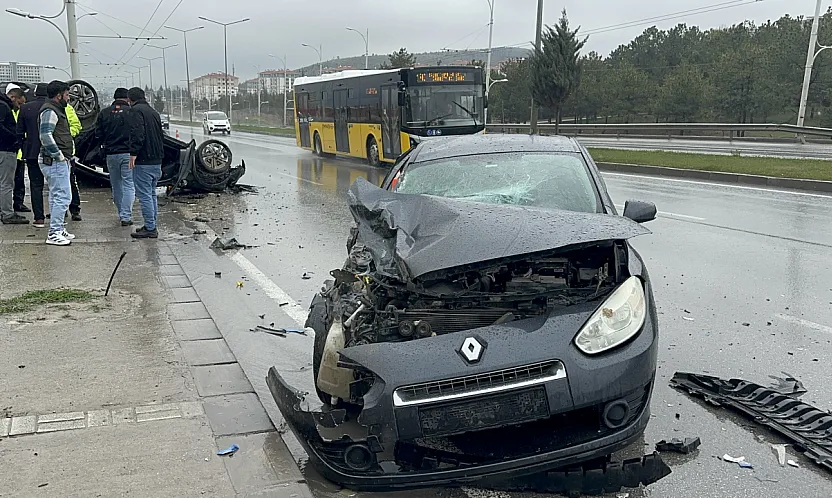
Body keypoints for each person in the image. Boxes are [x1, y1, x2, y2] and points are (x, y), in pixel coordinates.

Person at [38, 80, 75, 245]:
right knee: (63, 196)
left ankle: (58, 228)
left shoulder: (56, 110)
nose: (68, 98)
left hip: (56, 161)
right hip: (54, 161)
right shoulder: (50, 111)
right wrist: (59, 156)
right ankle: (54, 233)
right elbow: (45, 135)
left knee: (56, 196)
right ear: (59, 95)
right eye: (67, 95)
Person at [127, 87, 163, 239]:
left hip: (143, 160)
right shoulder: (153, 112)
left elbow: (138, 133)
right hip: (156, 159)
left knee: (144, 195)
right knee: (151, 193)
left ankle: (150, 227)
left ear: (130, 100)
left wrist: (133, 153)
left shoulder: (136, 111)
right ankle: (151, 223)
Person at [95, 88, 134, 225]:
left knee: (116, 184)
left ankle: (121, 213)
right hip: (128, 154)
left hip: (111, 154)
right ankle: (126, 216)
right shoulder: (132, 112)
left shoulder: (104, 113)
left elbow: (98, 134)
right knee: (128, 184)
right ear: (127, 98)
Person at [16, 83, 48, 227]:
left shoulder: (25, 108)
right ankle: (59, 214)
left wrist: (24, 147)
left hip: (32, 152)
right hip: (51, 151)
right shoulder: (55, 107)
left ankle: (39, 218)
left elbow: (19, 132)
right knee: (56, 185)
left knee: (36, 185)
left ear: (35, 94)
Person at [0, 83, 25, 224]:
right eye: (19, 102)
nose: (19, 106)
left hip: (3, 149)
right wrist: (15, 137)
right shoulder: (3, 107)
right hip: (6, 150)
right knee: (6, 183)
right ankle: (7, 214)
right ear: (13, 97)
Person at [6, 83, 29, 214]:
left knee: (19, 181)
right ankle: (7, 205)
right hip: (11, 149)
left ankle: (18, 203)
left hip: (19, 151)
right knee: (7, 182)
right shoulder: (8, 110)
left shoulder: (21, 111)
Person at [66, 102, 82, 221]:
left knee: (71, 181)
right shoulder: (47, 108)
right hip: (51, 151)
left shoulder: (68, 109)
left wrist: (64, 134)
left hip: (67, 152)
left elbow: (76, 126)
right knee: (54, 184)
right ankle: (59, 209)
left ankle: (75, 209)